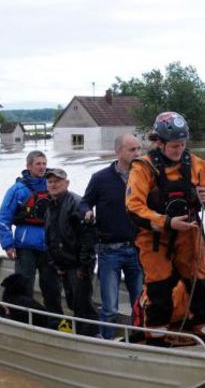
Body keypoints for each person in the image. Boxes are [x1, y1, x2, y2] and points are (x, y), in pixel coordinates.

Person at [126, 112, 205, 345]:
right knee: (159, 295)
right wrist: (167, 222)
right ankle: (156, 344)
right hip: (155, 239)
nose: (178, 149)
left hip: (189, 234)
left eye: (182, 144)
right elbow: (134, 207)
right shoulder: (143, 168)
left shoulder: (196, 164)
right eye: (173, 145)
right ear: (158, 142)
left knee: (202, 288)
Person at [80, 134, 144, 339]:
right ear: (118, 151)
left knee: (141, 302)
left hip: (138, 249)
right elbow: (84, 202)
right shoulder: (100, 178)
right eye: (132, 150)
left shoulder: (144, 176)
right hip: (109, 251)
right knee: (109, 307)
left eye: (138, 149)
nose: (137, 154)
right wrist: (87, 212)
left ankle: (139, 340)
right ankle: (106, 342)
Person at [0, 151, 62, 314]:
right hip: (25, 248)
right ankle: (23, 319)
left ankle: (55, 322)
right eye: (38, 164)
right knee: (24, 289)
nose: (42, 167)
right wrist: (8, 244)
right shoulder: (18, 190)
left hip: (49, 248)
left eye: (44, 164)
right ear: (29, 166)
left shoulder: (54, 186)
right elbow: (3, 219)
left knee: (52, 289)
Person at [44, 168, 99, 336]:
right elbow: (51, 236)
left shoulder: (76, 203)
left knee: (83, 304)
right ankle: (80, 336)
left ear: (67, 183)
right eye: (50, 181)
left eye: (58, 181)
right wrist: (55, 263)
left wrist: (84, 266)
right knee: (73, 303)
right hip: (63, 265)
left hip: (78, 265)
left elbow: (88, 237)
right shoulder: (51, 205)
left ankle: (90, 338)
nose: (53, 185)